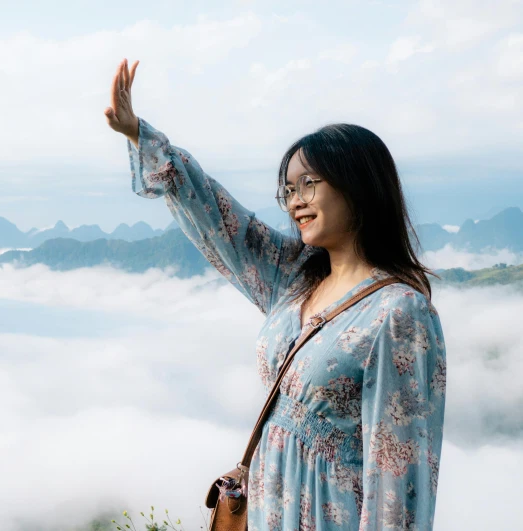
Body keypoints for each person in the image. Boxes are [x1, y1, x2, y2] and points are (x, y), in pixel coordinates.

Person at [104, 58, 447, 530]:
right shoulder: (294, 279)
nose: (296, 200)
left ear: (360, 186)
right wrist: (139, 134)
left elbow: (400, 475)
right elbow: (221, 222)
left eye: (310, 183)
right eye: (288, 189)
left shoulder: (398, 313)